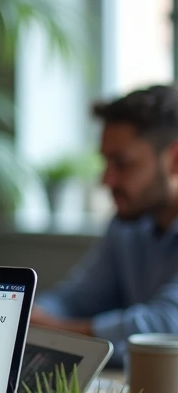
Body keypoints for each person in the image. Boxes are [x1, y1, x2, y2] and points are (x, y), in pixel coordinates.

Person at [32, 85, 178, 362]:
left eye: (121, 164)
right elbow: (76, 299)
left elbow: (167, 324)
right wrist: (29, 314)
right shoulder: (127, 226)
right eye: (106, 163)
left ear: (175, 159)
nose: (106, 181)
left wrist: (55, 332)